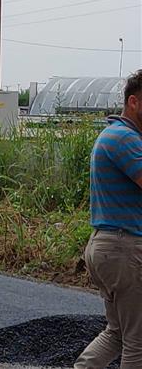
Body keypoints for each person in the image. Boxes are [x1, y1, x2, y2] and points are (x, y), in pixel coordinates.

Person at [74, 70, 142, 368]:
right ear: (134, 102)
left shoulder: (115, 135)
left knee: (117, 333)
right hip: (123, 248)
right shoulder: (125, 138)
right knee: (137, 343)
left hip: (108, 246)